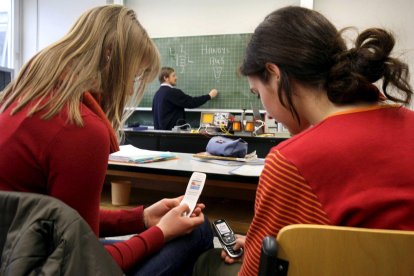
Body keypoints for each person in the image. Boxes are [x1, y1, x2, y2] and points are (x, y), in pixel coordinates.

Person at [193, 6, 414, 276]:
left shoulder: (293, 161)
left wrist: (254, 253)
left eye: (257, 93)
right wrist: (259, 244)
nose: (264, 106)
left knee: (207, 262)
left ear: (274, 74)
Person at [0, 5, 213, 275]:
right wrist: (160, 232)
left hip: (17, 254)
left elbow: (66, 223)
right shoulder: (80, 127)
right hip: (36, 263)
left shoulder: (29, 96)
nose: (131, 86)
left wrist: (142, 218)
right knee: (198, 233)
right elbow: (83, 264)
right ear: (111, 58)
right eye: (134, 76)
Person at [152, 67, 218, 130]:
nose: (176, 78)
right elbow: (192, 102)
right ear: (166, 78)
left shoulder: (157, 94)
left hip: (160, 135)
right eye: (173, 76)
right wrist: (209, 96)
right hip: (172, 135)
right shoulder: (172, 92)